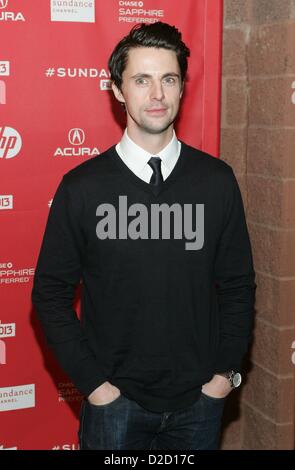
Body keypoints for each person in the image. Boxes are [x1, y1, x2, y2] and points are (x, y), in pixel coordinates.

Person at [31, 21, 256, 450]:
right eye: (141, 80)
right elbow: (49, 293)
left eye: (168, 79)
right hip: (115, 407)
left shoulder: (216, 181)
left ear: (182, 88)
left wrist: (224, 375)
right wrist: (96, 387)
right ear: (118, 90)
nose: (157, 95)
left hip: (199, 404)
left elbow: (238, 286)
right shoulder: (82, 187)